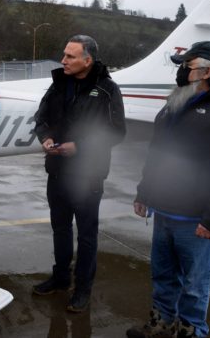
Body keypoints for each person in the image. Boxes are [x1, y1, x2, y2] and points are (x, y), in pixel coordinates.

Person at [127, 41, 210, 338]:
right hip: (163, 211)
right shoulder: (173, 105)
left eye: (187, 65)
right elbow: (157, 154)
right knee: (163, 276)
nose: (181, 71)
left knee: (194, 285)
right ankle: (161, 324)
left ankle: (191, 331)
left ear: (207, 71)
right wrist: (144, 192)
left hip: (195, 219)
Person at [32, 35, 126, 312]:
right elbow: (42, 117)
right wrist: (46, 137)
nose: (63, 60)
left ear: (88, 60)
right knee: (60, 229)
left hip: (88, 175)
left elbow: (117, 132)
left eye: (70, 56)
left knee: (86, 235)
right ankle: (61, 278)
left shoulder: (107, 89)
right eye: (64, 55)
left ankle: (82, 289)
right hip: (57, 172)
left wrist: (80, 148)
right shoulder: (59, 83)